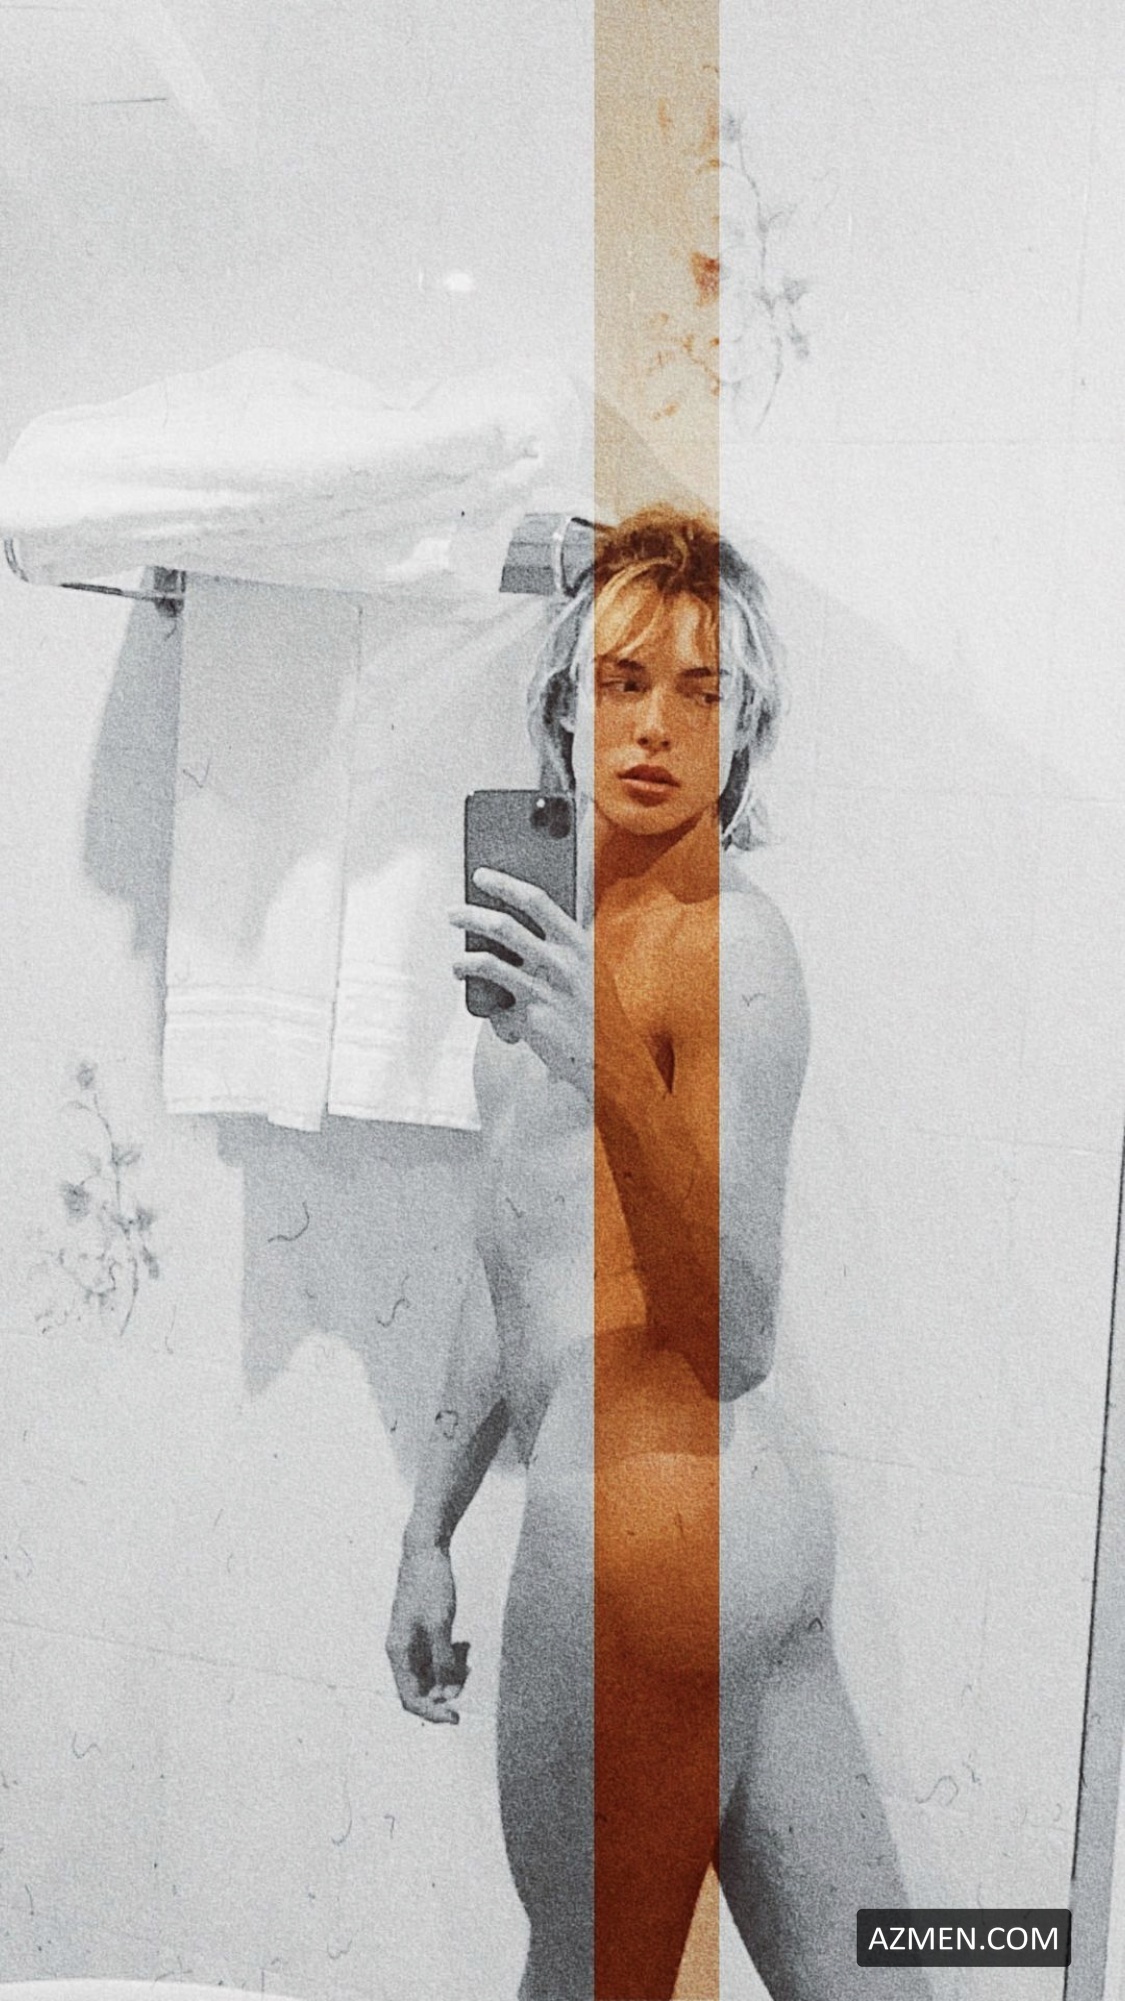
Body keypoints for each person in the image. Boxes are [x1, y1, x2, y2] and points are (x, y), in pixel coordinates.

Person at [386, 508, 927, 2001]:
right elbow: (516, 1247)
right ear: (562, 705)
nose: (653, 726)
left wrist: (609, 1062)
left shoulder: (731, 950)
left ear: (743, 733)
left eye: (702, 692)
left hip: (639, 1542)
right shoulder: (555, 951)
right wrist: (428, 1525)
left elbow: (735, 1334)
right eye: (622, 681)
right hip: (740, 1554)